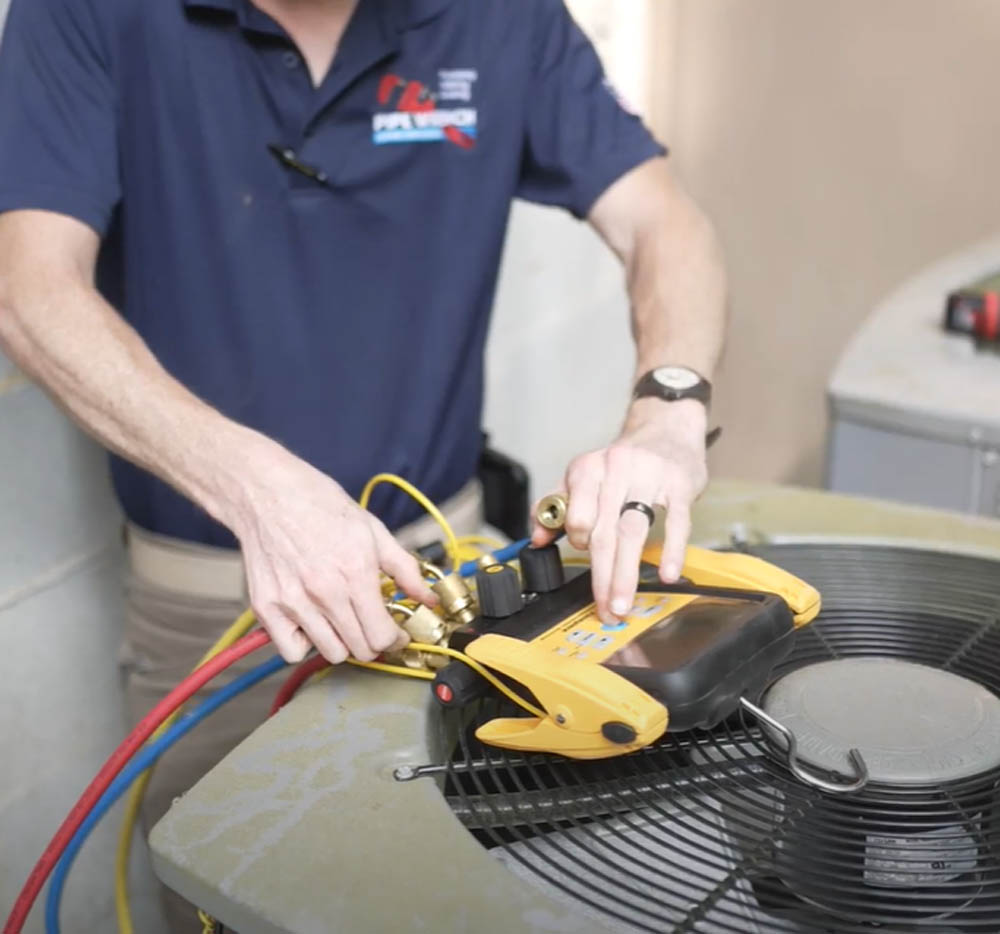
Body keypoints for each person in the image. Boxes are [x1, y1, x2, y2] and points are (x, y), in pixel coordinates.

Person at [0, 0, 726, 927]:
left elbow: (666, 223)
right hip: (212, 610)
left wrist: (667, 412)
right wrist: (256, 489)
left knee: (460, 898)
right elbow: (30, 285)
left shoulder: (498, 18)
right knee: (232, 899)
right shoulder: (86, 15)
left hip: (450, 579)